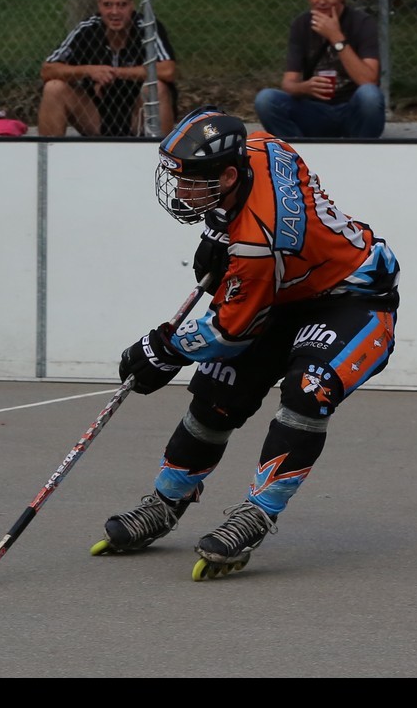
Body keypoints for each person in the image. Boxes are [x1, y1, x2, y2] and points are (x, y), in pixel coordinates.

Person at [99, 106, 399, 578]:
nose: (180, 190)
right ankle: (166, 501)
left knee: (308, 389)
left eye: (191, 181)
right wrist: (220, 229)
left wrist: (164, 349)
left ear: (228, 175)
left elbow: (227, 331)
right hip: (283, 290)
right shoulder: (261, 145)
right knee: (217, 393)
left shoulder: (258, 243)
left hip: (353, 298)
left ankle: (258, 513)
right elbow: (265, 198)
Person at [253, 0, 384, 139]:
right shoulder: (301, 25)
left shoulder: (362, 23)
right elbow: (288, 83)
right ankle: (298, 152)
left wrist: (336, 37)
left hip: (352, 108)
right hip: (314, 110)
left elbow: (369, 80)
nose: (322, 1)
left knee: (370, 96)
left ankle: (361, 150)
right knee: (266, 100)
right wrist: (304, 88)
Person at [38, 0, 177, 137]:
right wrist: (89, 71)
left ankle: (160, 150)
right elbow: (48, 70)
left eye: (122, 5)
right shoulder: (88, 29)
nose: (114, 12)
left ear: (131, 5)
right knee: (54, 88)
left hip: (137, 116)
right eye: (108, 5)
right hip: (95, 117)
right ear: (99, 5)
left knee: (157, 88)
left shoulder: (147, 28)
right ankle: (49, 152)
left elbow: (168, 70)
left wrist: (115, 73)